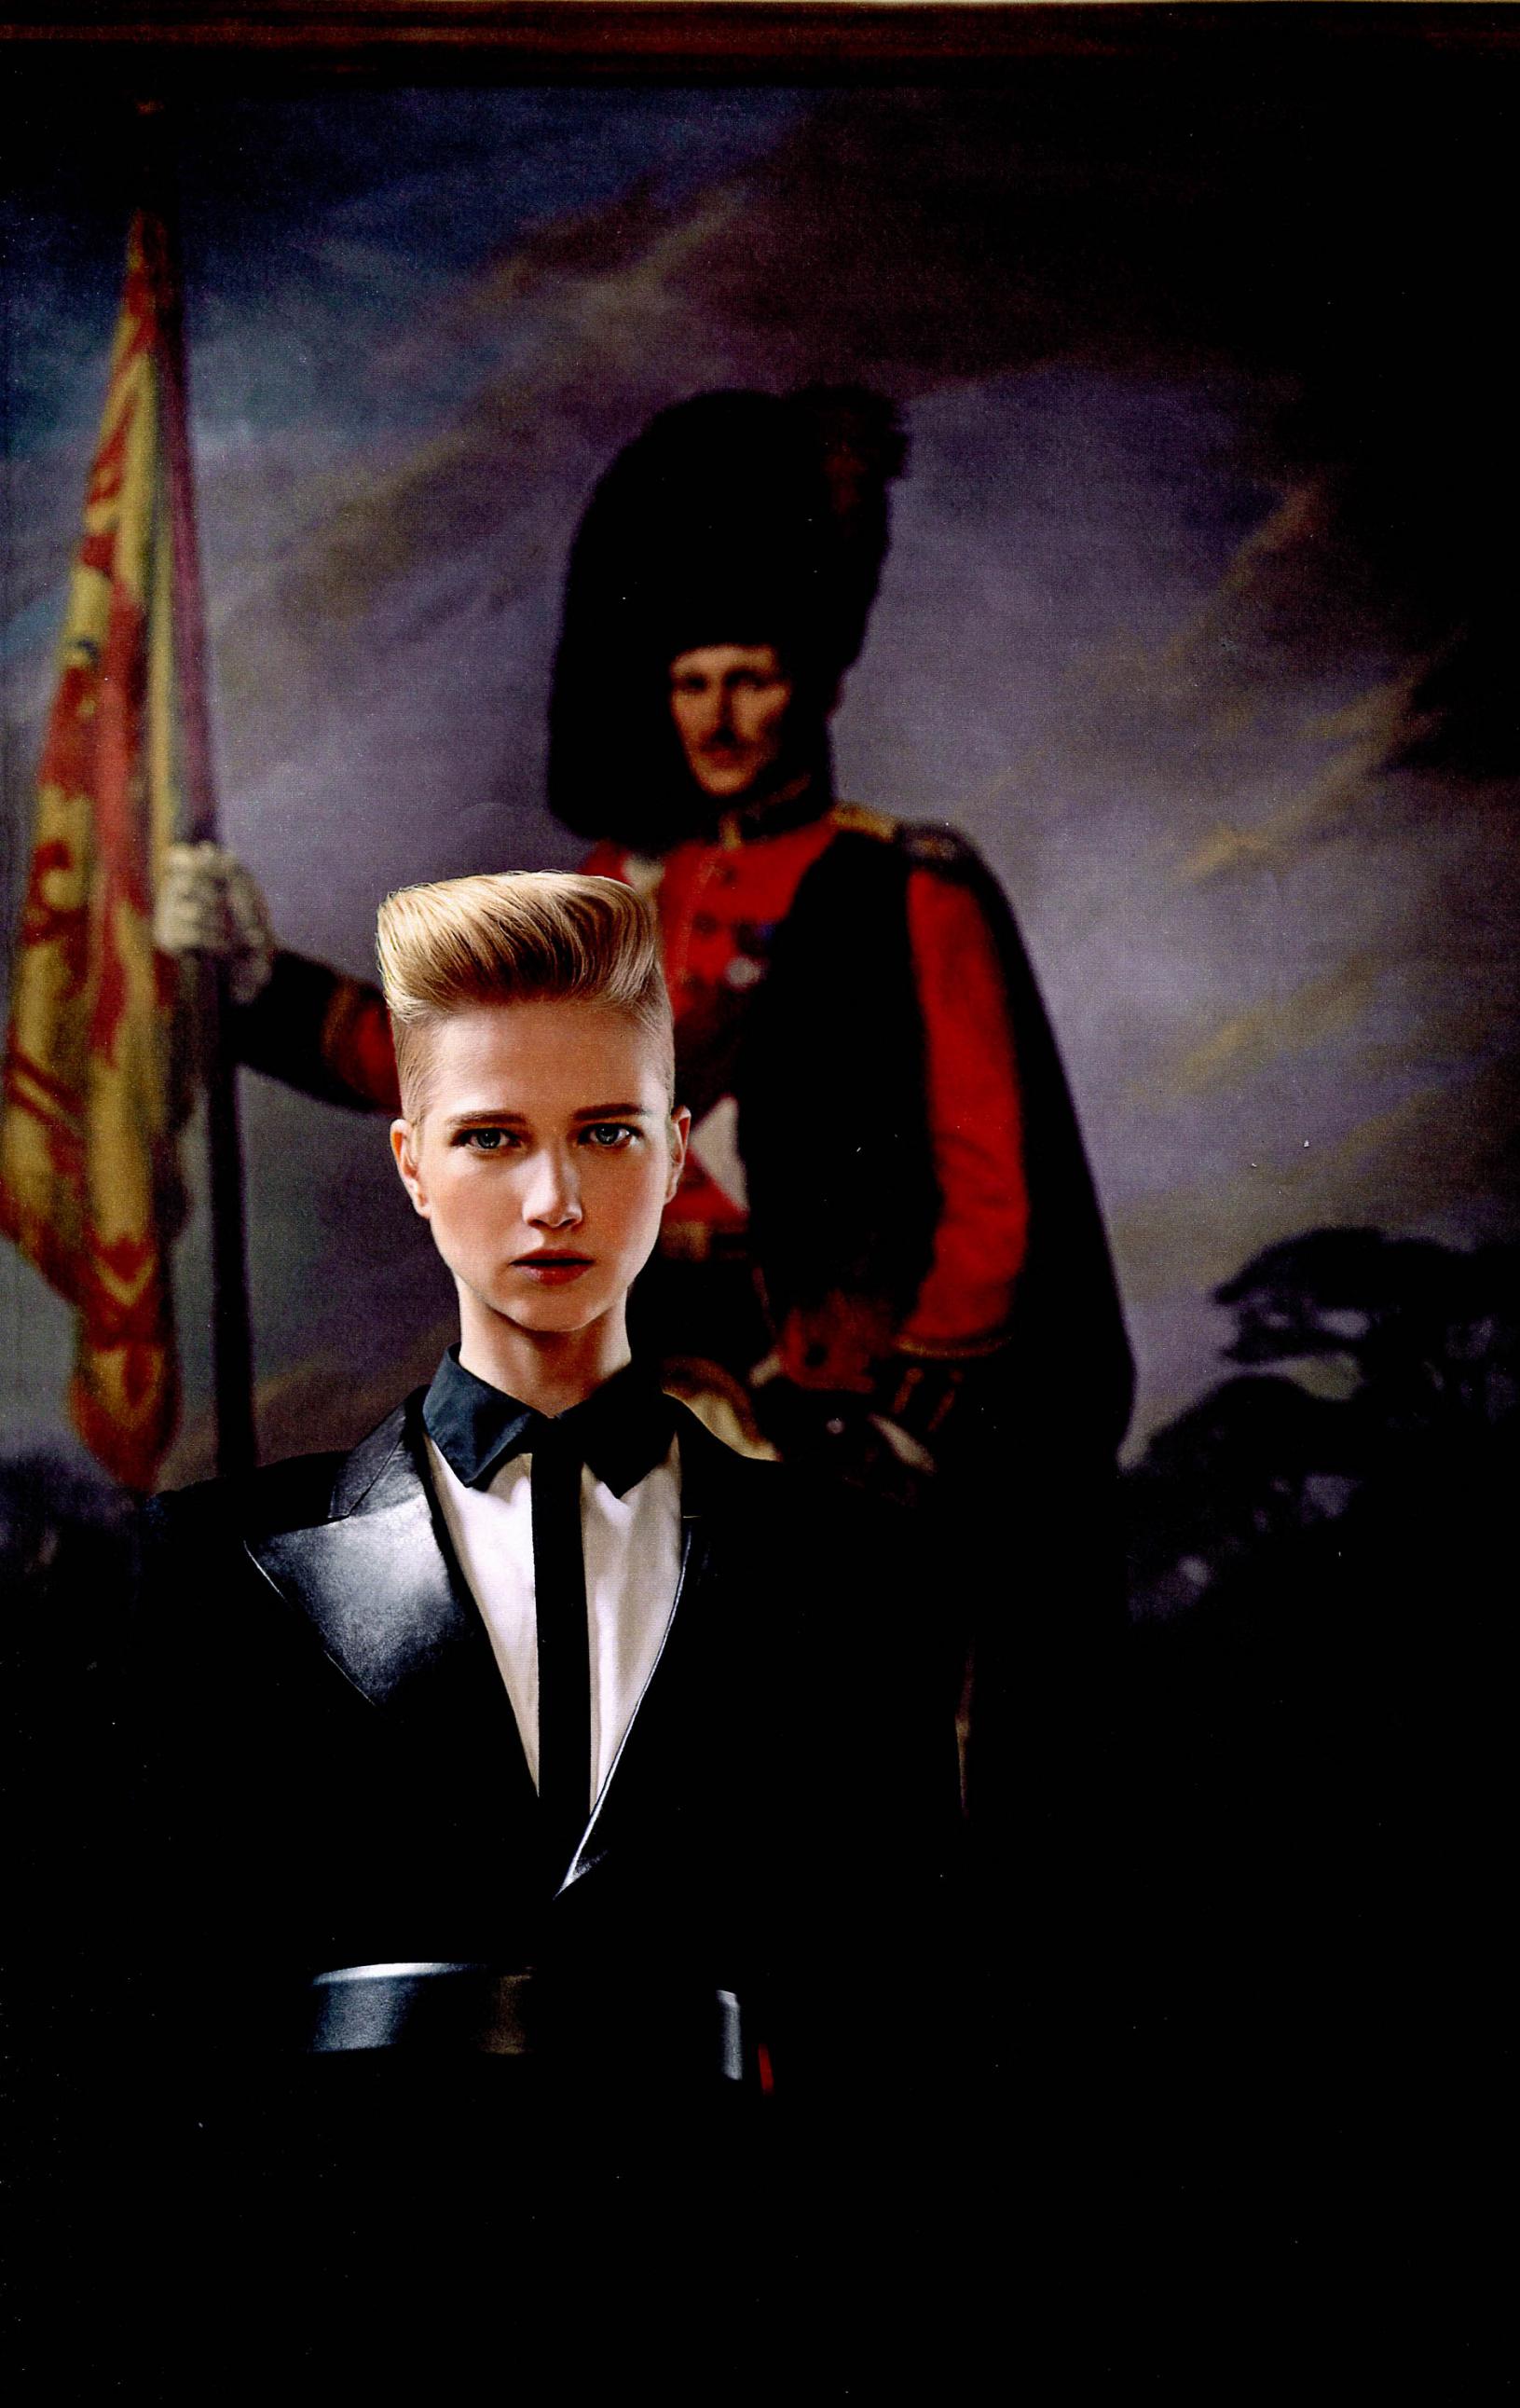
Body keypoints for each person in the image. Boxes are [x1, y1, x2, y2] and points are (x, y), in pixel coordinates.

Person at [157, 385, 1132, 1830]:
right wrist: (256, 982)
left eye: (752, 678)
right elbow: (458, 1062)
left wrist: (898, 1415)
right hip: (622, 1367)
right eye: (692, 682)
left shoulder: (908, 889)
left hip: (837, 1400)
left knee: (842, 1780)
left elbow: (993, 1198)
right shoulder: (618, 889)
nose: (720, 717)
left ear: (814, 687)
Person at [114, 872, 963, 2395]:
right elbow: (138, 2074)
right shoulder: (209, 1574)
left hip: (730, 2338)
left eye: (606, 1135)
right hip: (336, 2340)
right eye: (493, 1137)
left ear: (678, 1152)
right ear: (411, 1161)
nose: (554, 1199)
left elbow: (914, 2077)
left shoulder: (853, 1579)